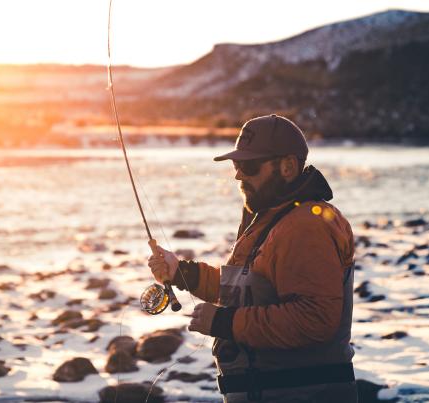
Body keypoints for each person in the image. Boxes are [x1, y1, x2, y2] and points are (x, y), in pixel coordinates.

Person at [148, 114, 357, 402]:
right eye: (236, 165)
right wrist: (181, 272)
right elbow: (249, 288)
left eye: (249, 165)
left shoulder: (308, 225)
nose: (238, 175)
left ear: (287, 166)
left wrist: (224, 322)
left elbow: (315, 319)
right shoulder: (270, 216)